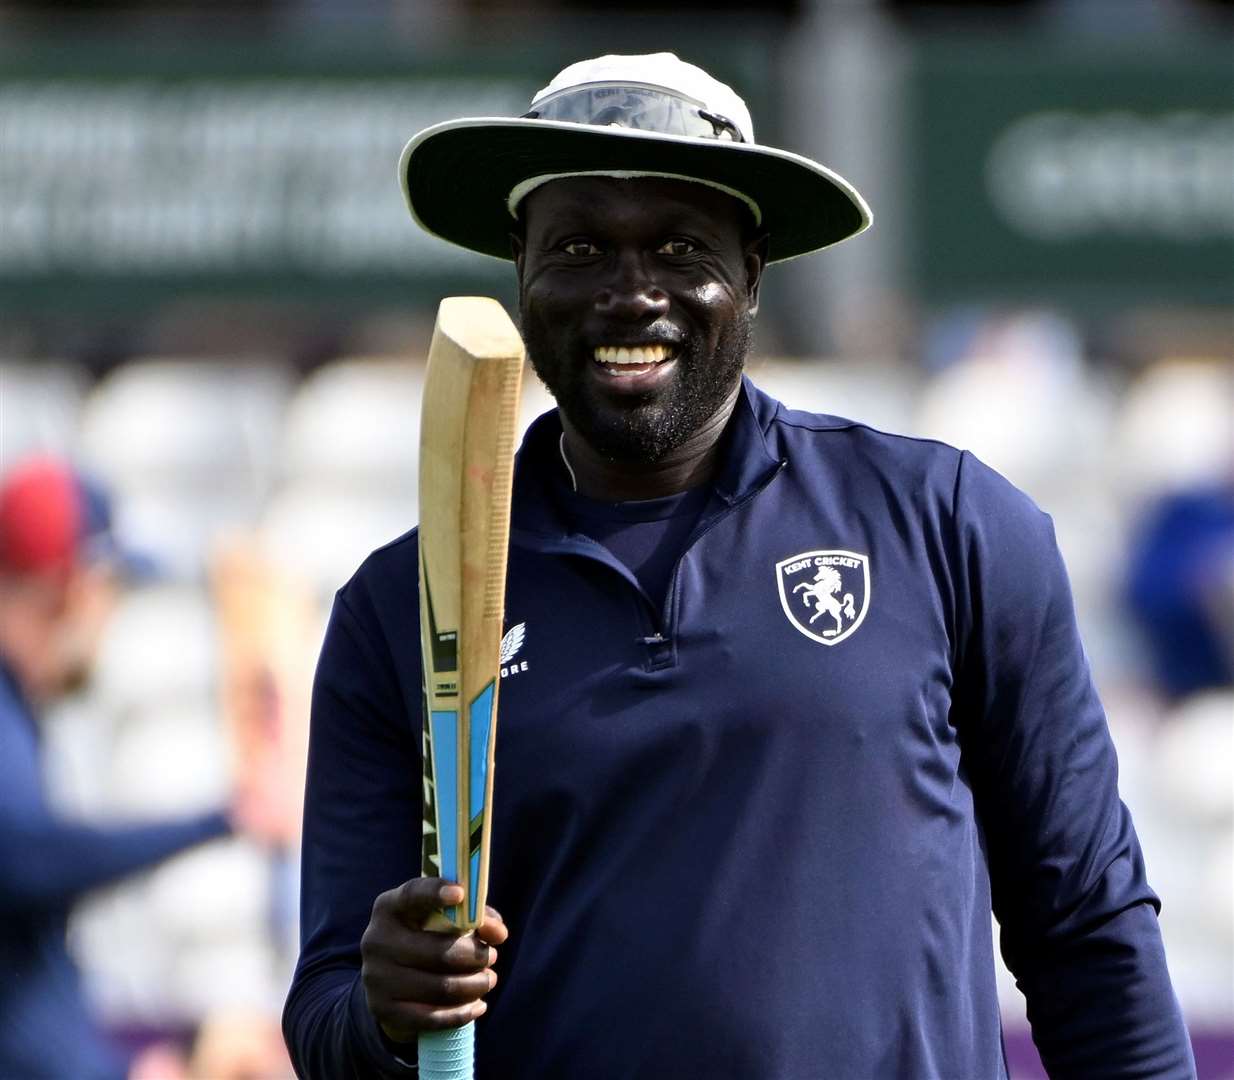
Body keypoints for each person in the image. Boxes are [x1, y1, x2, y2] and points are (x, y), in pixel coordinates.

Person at [283, 54, 1195, 1078]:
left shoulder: (945, 523)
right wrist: (387, 1011)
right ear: (520, 269)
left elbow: (1086, 926)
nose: (632, 294)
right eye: (580, 247)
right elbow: (325, 1021)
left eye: (680, 246)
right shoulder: (397, 609)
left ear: (751, 271)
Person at [0, 455, 280, 1080]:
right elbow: (25, 861)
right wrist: (221, 819)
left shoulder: (21, 713)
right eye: (112, 591)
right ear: (72, 586)